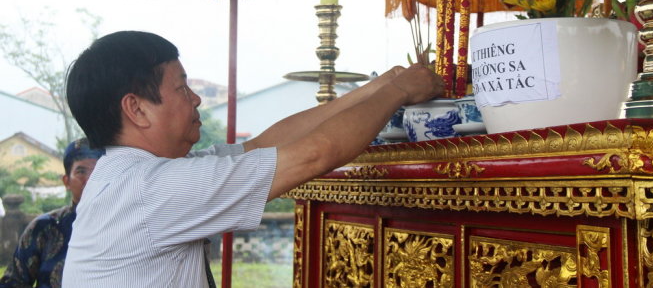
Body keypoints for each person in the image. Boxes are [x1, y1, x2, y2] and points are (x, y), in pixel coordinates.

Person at [61, 30, 443, 287]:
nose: (194, 99)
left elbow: (262, 145)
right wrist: (397, 93)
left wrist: (378, 87)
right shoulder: (152, 188)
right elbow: (316, 153)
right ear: (137, 110)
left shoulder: (134, 175)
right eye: (181, 87)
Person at [0, 138, 103, 288]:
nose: (89, 180)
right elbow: (14, 282)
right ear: (66, 181)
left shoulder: (125, 225)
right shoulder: (44, 227)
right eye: (81, 171)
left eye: (97, 172)